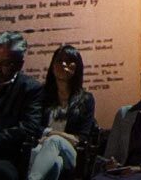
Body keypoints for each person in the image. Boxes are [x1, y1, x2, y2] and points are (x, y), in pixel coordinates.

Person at [25, 46, 94, 180]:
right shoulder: (42, 94)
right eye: (59, 60)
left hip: (71, 154)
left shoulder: (86, 99)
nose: (63, 64)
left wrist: (52, 133)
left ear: (77, 67)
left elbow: (81, 139)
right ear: (52, 65)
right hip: (42, 148)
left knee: (54, 141)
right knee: (55, 163)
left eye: (69, 61)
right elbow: (33, 126)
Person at [0, 32, 44, 180]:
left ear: (20, 65)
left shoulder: (29, 89)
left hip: (0, 156)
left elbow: (30, 127)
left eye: (5, 64)